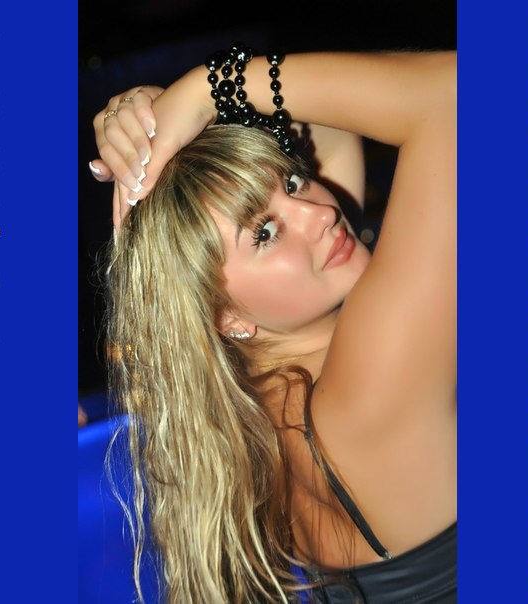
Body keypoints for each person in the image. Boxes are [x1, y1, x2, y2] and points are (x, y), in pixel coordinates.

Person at [89, 49, 456, 603]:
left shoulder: (269, 401)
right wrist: (204, 88)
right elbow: (459, 96)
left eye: (294, 181)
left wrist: (161, 126)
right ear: (225, 316)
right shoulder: (365, 385)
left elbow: (327, 128)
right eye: (263, 232)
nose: (320, 212)